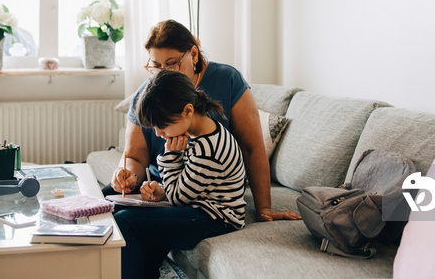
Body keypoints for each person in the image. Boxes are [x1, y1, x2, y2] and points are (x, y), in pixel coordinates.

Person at [107, 19, 301, 222]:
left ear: (193, 54)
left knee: (126, 221)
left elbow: (252, 148)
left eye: (172, 63)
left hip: (202, 190)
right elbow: (135, 157)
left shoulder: (227, 80)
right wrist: (127, 175)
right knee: (105, 204)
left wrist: (264, 208)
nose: (164, 72)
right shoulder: (147, 95)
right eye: (156, 65)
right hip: (157, 184)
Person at [114, 70, 246, 279]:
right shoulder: (198, 132)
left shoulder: (208, 149)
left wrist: (171, 154)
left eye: (162, 125)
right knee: (118, 206)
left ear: (188, 110)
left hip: (216, 217)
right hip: (197, 204)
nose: (157, 133)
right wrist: (161, 190)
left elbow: (178, 198)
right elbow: (184, 186)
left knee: (126, 221)